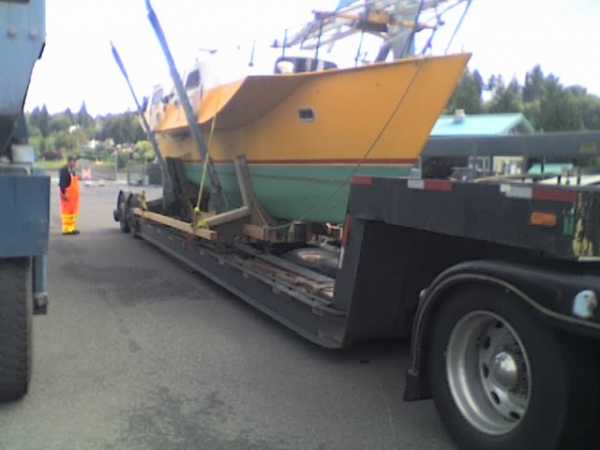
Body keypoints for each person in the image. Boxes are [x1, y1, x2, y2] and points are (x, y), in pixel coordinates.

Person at [58, 156, 80, 235]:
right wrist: (63, 193)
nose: (75, 164)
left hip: (73, 196)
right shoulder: (64, 170)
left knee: (72, 212)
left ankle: (71, 228)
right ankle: (66, 229)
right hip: (67, 194)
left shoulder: (72, 171)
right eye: (74, 162)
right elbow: (62, 182)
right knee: (67, 212)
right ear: (70, 162)